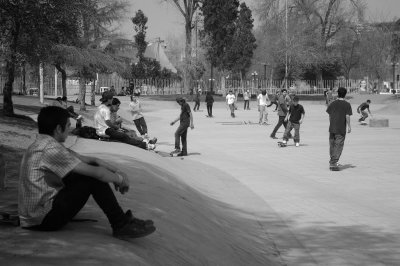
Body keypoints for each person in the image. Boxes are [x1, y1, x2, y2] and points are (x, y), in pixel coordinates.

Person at [18, 106, 156, 239]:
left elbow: (91, 160)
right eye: (68, 126)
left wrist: (118, 172)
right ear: (59, 129)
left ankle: (122, 221)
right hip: (42, 219)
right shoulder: (50, 149)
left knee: (86, 170)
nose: (70, 129)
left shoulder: (45, 143)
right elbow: (98, 173)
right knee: (91, 178)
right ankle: (120, 224)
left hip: (39, 214)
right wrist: (119, 180)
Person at [326, 87, 352, 171]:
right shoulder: (347, 104)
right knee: (339, 145)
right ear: (345, 94)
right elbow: (347, 116)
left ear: (338, 94)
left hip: (332, 128)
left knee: (332, 145)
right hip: (340, 128)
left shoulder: (332, 103)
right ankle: (334, 163)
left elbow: (329, 115)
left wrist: (332, 123)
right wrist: (349, 126)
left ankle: (332, 161)